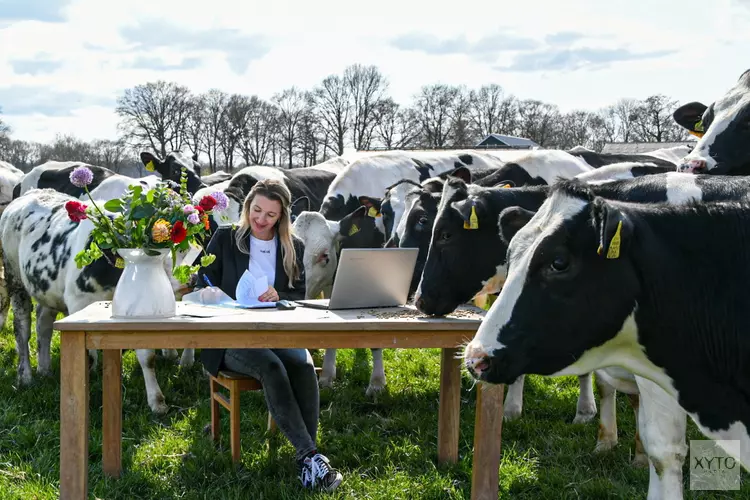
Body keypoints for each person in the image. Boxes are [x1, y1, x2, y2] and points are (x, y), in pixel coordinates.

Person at [197, 179, 343, 492]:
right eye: (257, 210)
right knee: (272, 367)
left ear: (282, 217)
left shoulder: (294, 246)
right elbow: (202, 279)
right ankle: (311, 456)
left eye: (270, 215)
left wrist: (279, 294)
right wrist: (214, 292)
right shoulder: (225, 238)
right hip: (229, 337)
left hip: (277, 332)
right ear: (248, 206)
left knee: (303, 367)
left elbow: (297, 294)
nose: (261, 219)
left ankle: (308, 461)